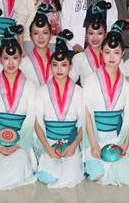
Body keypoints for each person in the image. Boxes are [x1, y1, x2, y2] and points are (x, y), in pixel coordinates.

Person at [0, 27, 38, 190]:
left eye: (15, 58)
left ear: (21, 58)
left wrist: (18, 144)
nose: (11, 62)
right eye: (6, 58)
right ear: (0, 59)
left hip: (20, 140)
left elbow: (30, 118)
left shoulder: (30, 86)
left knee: (18, 169)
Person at [83, 21, 129, 186]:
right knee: (97, 175)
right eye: (107, 52)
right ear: (101, 53)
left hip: (116, 137)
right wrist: (93, 144)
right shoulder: (91, 81)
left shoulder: (127, 84)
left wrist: (125, 143)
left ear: (123, 53)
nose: (112, 57)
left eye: (116, 52)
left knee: (125, 176)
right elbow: (87, 115)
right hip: (94, 136)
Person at [33, 35, 85, 188]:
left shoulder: (79, 92)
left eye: (64, 65)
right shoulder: (42, 91)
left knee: (71, 177)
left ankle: (75, 162)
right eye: (55, 65)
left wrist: (74, 145)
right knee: (47, 176)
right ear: (50, 67)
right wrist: (47, 148)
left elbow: (84, 122)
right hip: (49, 142)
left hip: (71, 143)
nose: (59, 69)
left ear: (70, 66)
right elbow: (37, 122)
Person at [70, 1, 110, 85]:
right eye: (91, 33)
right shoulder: (78, 58)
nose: (95, 38)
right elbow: (68, 84)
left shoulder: (112, 56)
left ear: (105, 34)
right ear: (86, 35)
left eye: (99, 33)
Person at [20, 5, 61, 86]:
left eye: (45, 33)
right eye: (36, 33)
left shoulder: (59, 61)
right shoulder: (23, 63)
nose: (41, 37)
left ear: (50, 36)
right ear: (31, 36)